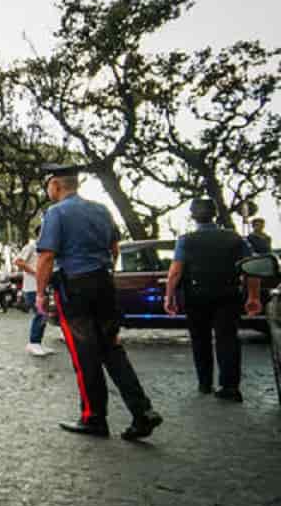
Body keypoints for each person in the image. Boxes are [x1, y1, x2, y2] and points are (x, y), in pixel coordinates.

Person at [35, 164, 163, 440]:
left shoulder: (56, 213)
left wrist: (40, 294)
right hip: (104, 284)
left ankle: (94, 418)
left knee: (85, 355)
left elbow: (46, 256)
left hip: (75, 288)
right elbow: (114, 249)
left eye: (49, 186)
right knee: (112, 350)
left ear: (56, 185)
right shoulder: (102, 210)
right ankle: (142, 412)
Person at [165, 199, 262, 402]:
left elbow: (175, 272)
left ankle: (205, 383)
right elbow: (251, 269)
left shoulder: (185, 240)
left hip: (196, 296)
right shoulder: (235, 238)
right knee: (228, 339)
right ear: (215, 215)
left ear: (193, 216)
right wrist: (253, 297)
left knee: (200, 340)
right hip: (228, 295)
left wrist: (170, 296)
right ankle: (230, 387)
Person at [15, 225, 54, 356]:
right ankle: (33, 343)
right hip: (32, 288)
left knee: (44, 315)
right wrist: (36, 272)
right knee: (40, 314)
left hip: (43, 287)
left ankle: (38, 343)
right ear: (40, 234)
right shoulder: (31, 246)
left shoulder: (45, 248)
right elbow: (19, 262)